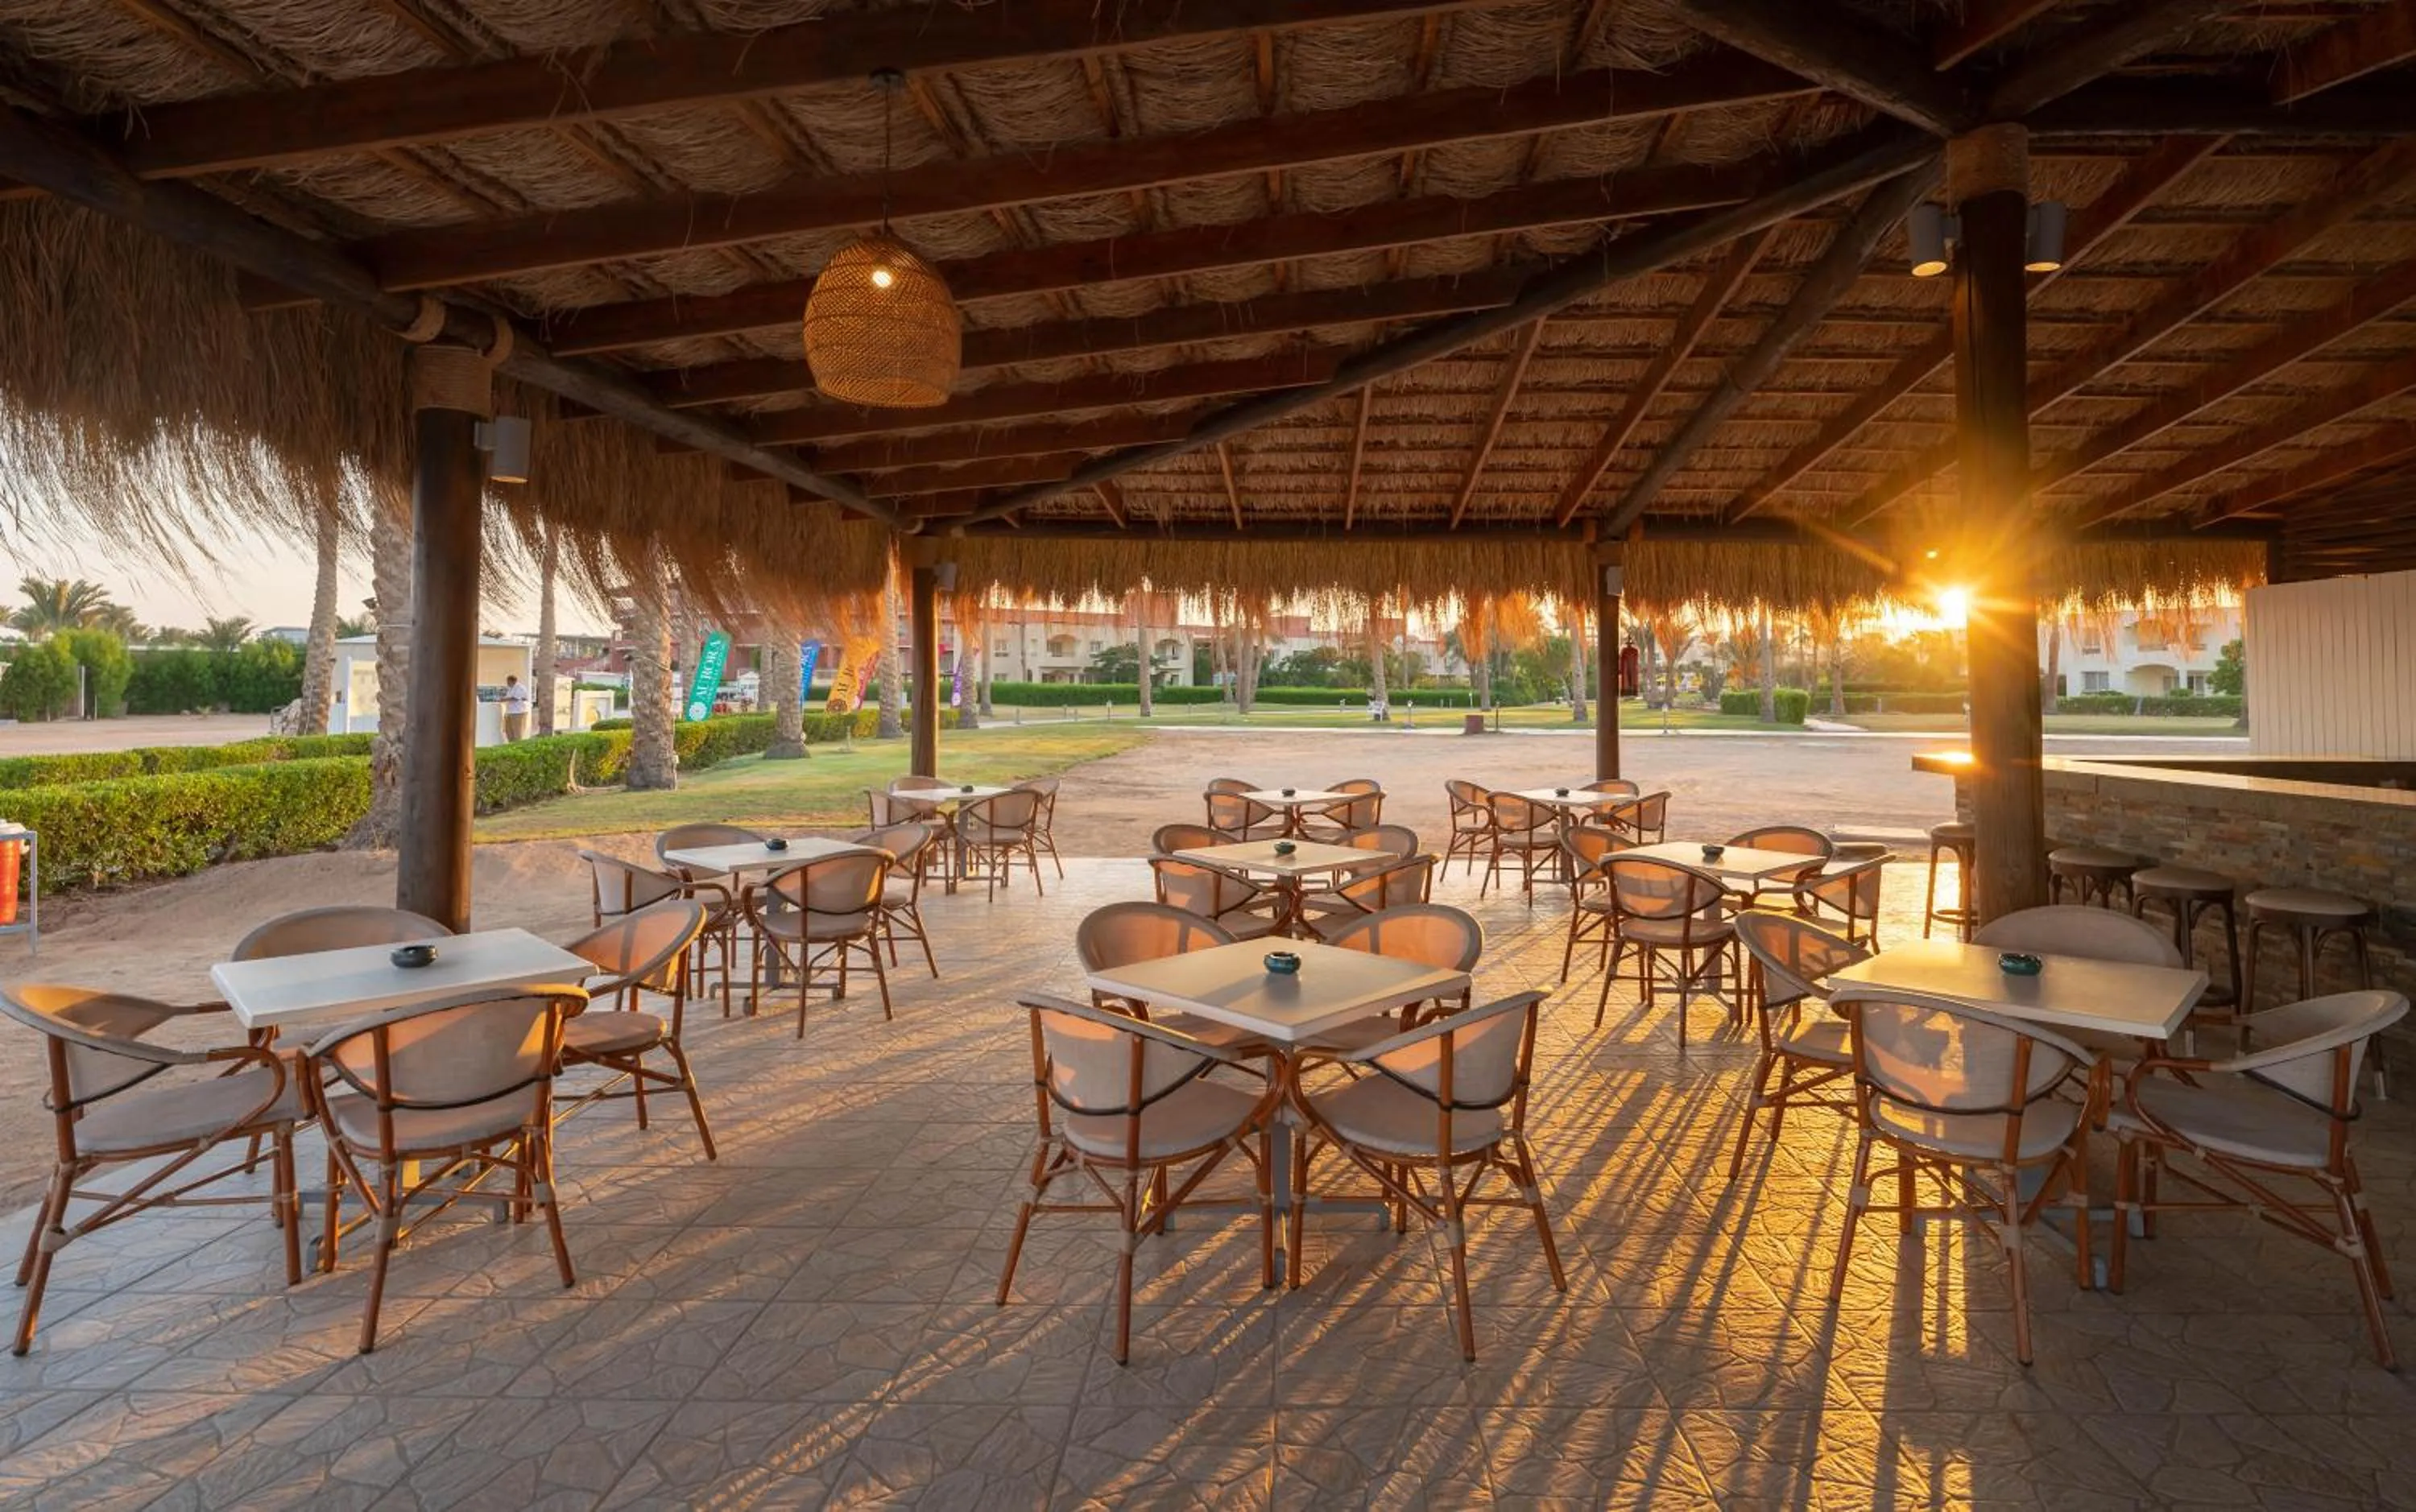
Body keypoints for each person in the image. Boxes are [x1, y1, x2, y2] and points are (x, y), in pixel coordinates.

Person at [502, 673, 532, 742]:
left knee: (517, 732)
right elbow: (508, 697)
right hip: (510, 712)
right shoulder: (511, 689)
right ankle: (511, 744)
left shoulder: (520, 688)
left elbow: (515, 698)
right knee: (509, 731)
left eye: (508, 682)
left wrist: (503, 699)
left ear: (513, 681)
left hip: (518, 712)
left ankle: (517, 745)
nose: (507, 683)